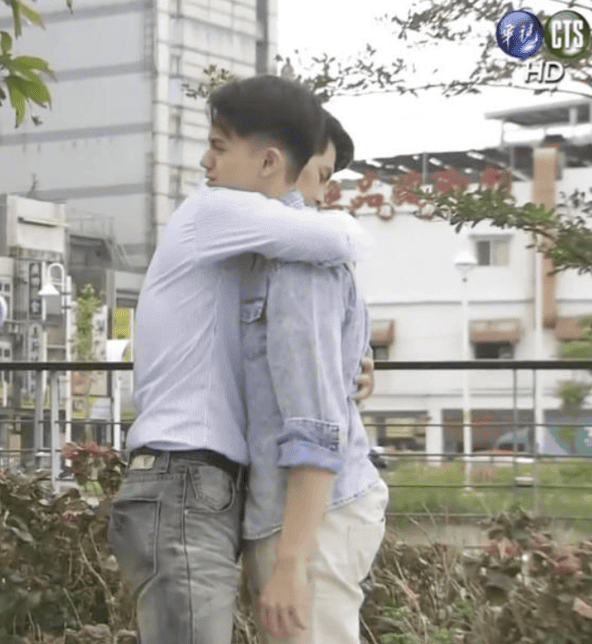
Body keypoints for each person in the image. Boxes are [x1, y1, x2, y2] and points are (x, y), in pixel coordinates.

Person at [107, 75, 373, 644]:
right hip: (183, 477)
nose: (205, 161)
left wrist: (351, 359)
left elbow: (297, 352)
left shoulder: (246, 241)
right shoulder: (217, 212)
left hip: (191, 482)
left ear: (268, 160)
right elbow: (337, 242)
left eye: (218, 146)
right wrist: (346, 222)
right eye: (321, 175)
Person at [237, 108, 389, 644]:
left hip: (309, 519)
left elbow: (315, 423)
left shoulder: (301, 259)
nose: (322, 196)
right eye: (321, 176)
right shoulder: (259, 253)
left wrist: (291, 561)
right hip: (299, 515)